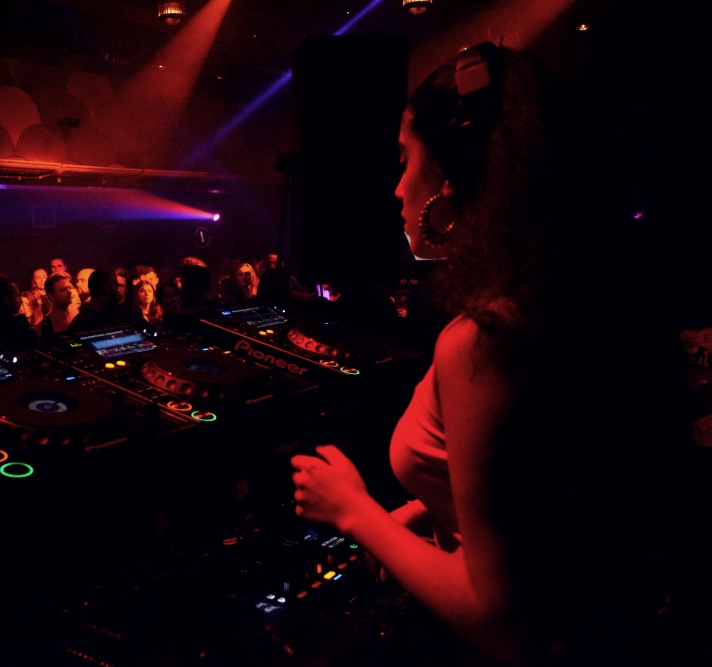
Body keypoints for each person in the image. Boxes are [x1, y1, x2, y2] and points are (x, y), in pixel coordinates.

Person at [290, 42, 699, 666]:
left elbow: (504, 624)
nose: (396, 188)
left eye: (405, 159)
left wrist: (354, 511)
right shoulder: (578, 304)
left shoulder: (483, 342)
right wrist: (424, 515)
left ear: (449, 181)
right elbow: (549, 496)